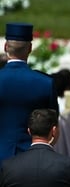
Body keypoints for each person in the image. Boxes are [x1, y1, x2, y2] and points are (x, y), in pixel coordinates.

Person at [0, 22, 58, 165]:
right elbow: (54, 129)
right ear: (30, 48)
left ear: (6, 47)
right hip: (32, 163)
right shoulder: (45, 83)